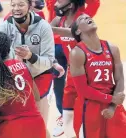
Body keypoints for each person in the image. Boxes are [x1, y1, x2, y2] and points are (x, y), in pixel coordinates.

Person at [0, 0, 55, 138]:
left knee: (38, 121)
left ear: (30, 6)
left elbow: (49, 62)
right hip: (15, 78)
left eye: (21, 4)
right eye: (13, 5)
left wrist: (30, 57)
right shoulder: (5, 27)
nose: (16, 8)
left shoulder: (43, 27)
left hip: (39, 76)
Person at [70, 13, 126, 138]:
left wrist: (112, 106)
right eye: (82, 18)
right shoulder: (77, 53)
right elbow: (83, 90)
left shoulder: (112, 48)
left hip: (112, 105)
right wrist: (111, 99)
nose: (88, 17)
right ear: (78, 30)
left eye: (88, 16)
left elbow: (120, 78)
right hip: (89, 107)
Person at [51, 0, 100, 137]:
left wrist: (52, 29)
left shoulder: (83, 19)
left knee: (91, 113)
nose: (56, 3)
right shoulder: (59, 20)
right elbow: (45, 30)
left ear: (70, 5)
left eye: (60, 1)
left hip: (89, 73)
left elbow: (75, 32)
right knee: (68, 111)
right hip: (73, 73)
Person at [0, 32, 46, 138]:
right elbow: (36, 97)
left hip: (11, 127)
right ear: (9, 48)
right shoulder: (22, 65)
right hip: (36, 123)